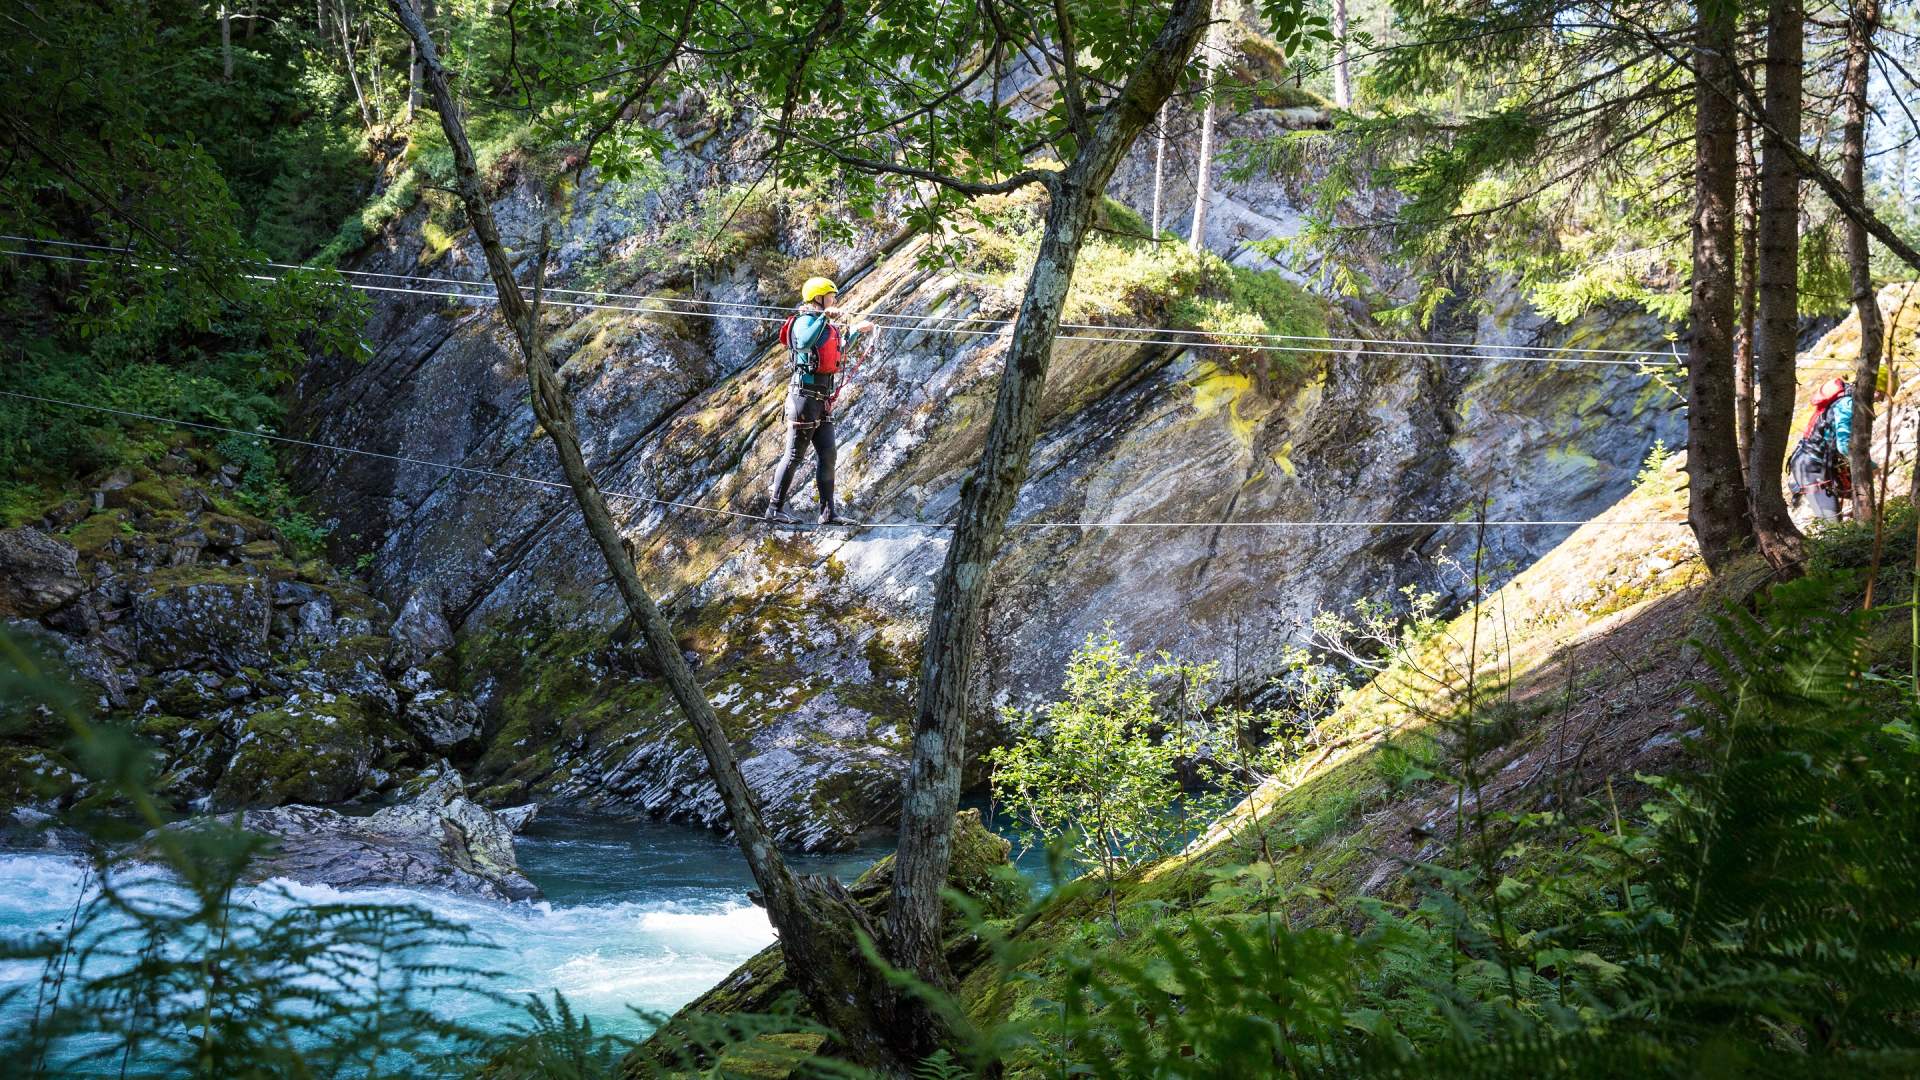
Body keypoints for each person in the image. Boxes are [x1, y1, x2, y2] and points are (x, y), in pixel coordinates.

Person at [766, 276, 873, 525]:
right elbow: (803, 343)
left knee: (828, 454)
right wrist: (825, 317)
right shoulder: (804, 321)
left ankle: (828, 513)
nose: (834, 300)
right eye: (831, 296)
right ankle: (774, 509)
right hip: (803, 400)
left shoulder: (823, 325)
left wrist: (856, 331)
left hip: (821, 401)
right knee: (794, 455)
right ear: (818, 297)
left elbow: (838, 351)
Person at [1788, 369, 1887, 521]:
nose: (1880, 400)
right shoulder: (1847, 404)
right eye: (1882, 394)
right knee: (1832, 524)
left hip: (1817, 464)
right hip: (1810, 468)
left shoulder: (1849, 400)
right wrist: (1871, 466)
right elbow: (1844, 445)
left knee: (1842, 514)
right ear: (1875, 388)